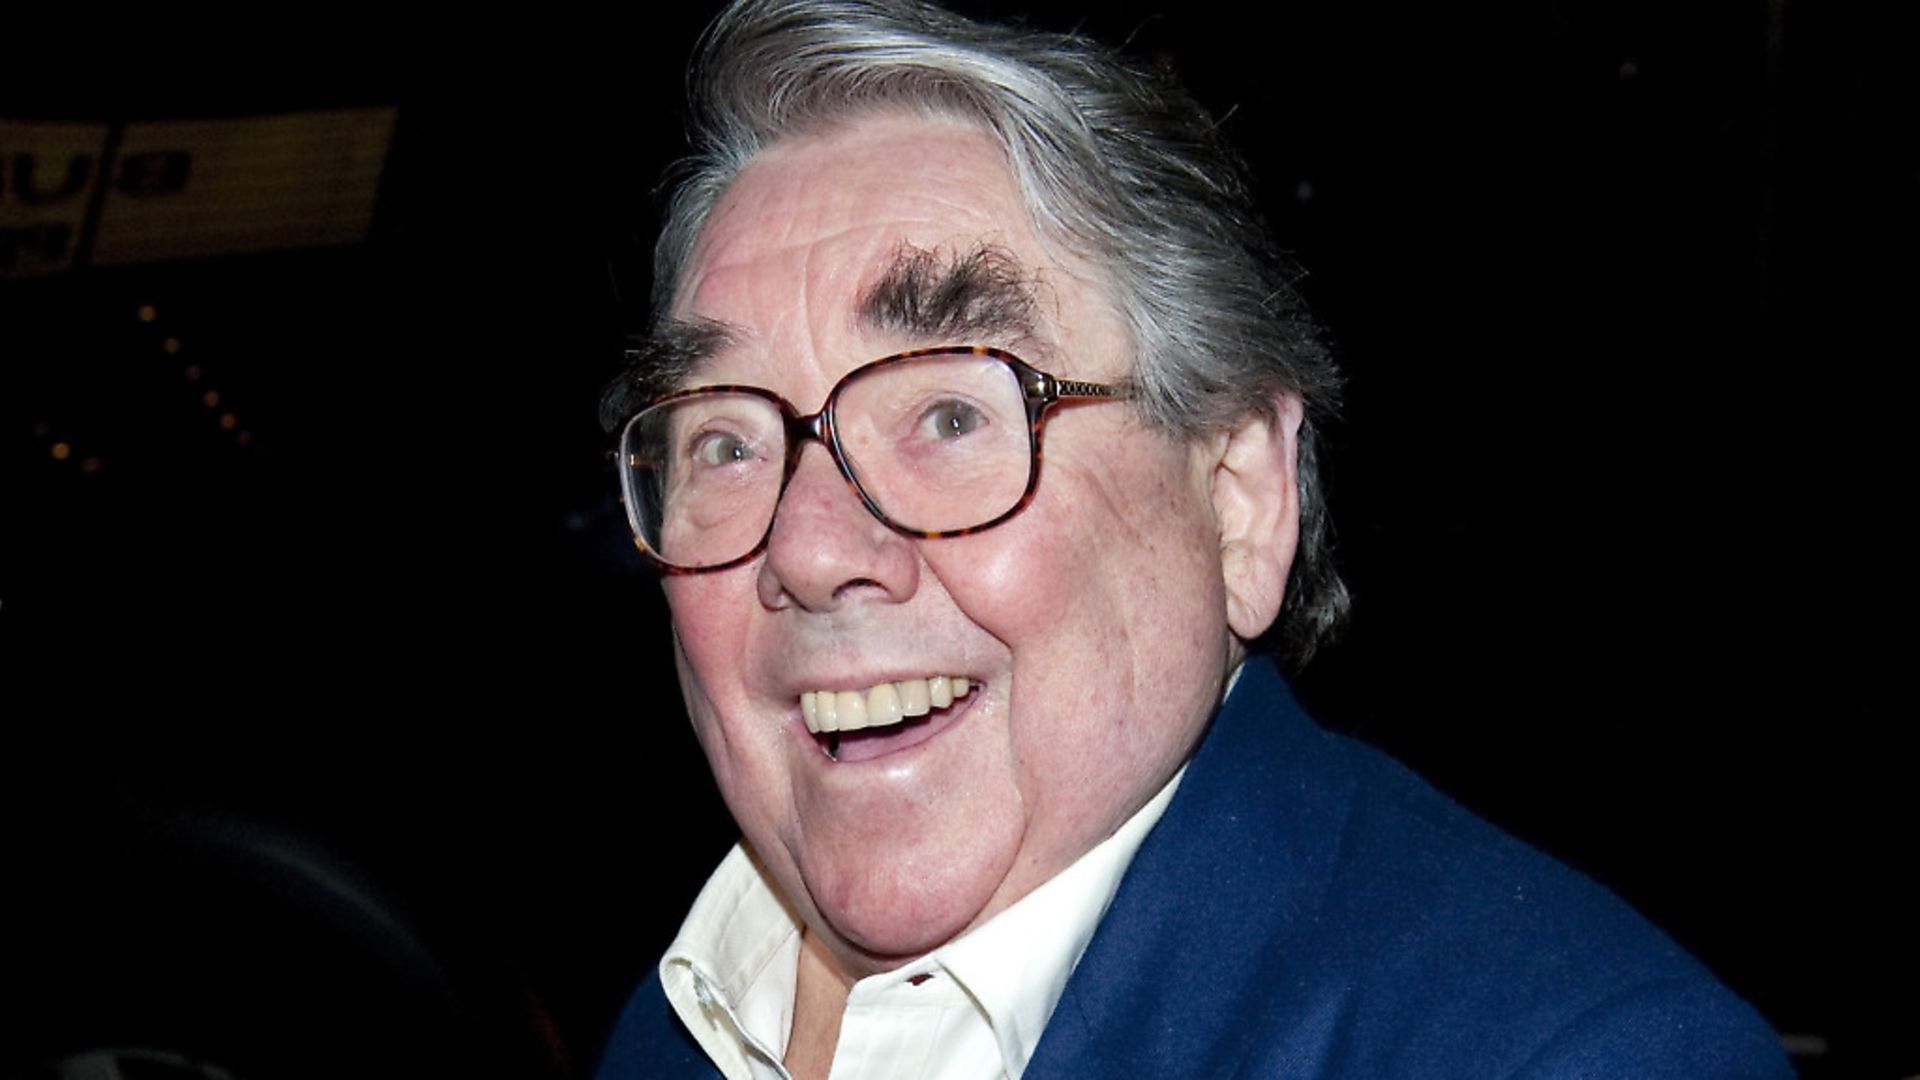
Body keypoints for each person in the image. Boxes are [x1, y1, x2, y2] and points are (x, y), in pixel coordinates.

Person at [594, 1, 1791, 1076]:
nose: (807, 550)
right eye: (728, 444)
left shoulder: (1579, 1057)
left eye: (951, 414)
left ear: (1239, 500)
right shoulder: (681, 1020)